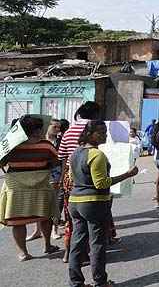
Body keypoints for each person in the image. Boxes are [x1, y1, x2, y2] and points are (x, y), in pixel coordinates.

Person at [68, 120, 138, 287]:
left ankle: (75, 282)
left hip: (75, 202)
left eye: (105, 132)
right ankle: (100, 282)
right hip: (94, 203)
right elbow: (101, 183)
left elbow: (71, 178)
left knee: (77, 242)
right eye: (101, 132)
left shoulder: (75, 153)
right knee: (97, 243)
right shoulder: (96, 154)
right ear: (90, 134)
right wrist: (127, 174)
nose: (105, 135)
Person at [0, 115, 61, 261]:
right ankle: (47, 245)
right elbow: (54, 163)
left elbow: (1, 163)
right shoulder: (46, 146)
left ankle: (23, 253)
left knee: (18, 221)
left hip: (16, 187)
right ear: (36, 130)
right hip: (40, 186)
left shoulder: (10, 146)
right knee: (45, 217)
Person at [58, 101, 101, 263]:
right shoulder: (95, 129)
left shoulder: (68, 131)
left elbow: (61, 156)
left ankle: (69, 252)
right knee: (92, 217)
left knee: (71, 217)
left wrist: (62, 178)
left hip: (70, 177)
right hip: (90, 177)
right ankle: (88, 253)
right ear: (96, 114)